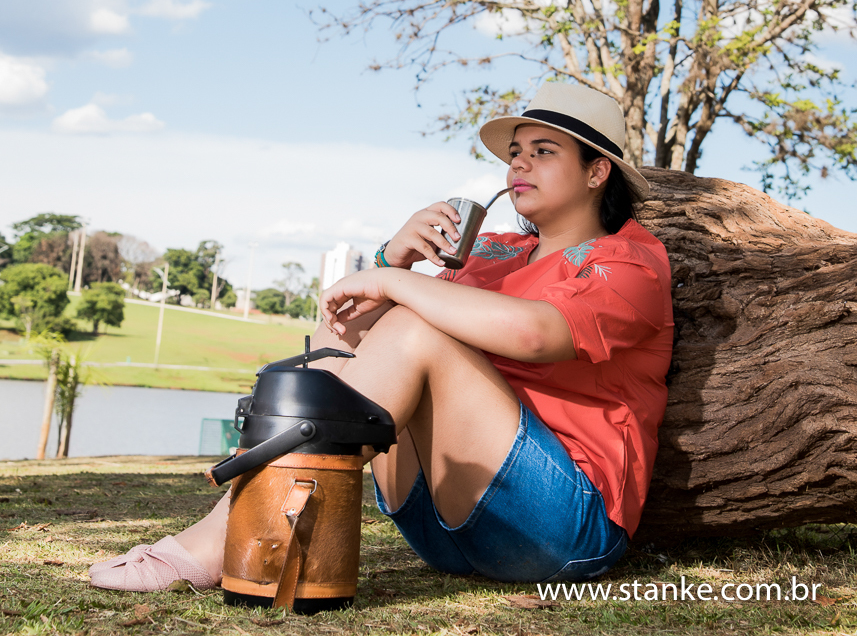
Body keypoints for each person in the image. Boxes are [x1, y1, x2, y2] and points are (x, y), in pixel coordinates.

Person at [90, 80, 673, 590]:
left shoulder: (629, 263)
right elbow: (338, 338)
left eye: (543, 153)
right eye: (515, 153)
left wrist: (396, 281)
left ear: (597, 172)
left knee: (417, 326)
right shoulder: (491, 253)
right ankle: (251, 522)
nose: (518, 165)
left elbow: (534, 334)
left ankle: (220, 538)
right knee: (347, 353)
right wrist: (395, 254)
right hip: (439, 529)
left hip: (561, 526)